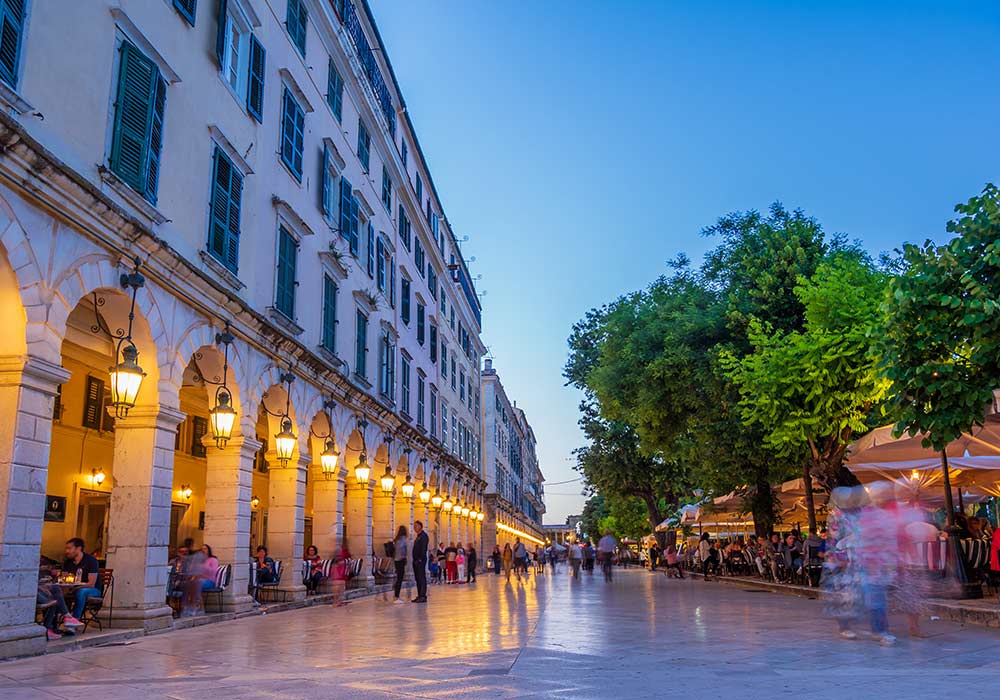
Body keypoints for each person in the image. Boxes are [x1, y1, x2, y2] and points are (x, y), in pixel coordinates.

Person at [62, 537, 101, 621]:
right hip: (73, 588)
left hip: (93, 590)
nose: (67, 551)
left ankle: (74, 620)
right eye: (66, 548)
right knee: (55, 591)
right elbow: (64, 580)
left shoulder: (91, 560)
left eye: (69, 548)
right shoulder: (67, 562)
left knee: (81, 592)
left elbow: (91, 584)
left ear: (78, 548)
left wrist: (76, 588)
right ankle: (55, 621)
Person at [411, 521, 429, 603]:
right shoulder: (418, 536)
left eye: (416, 526)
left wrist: (420, 559)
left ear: (420, 526)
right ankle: (419, 595)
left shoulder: (424, 536)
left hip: (420, 560)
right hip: (416, 560)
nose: (415, 528)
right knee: (418, 578)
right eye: (414, 526)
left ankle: (423, 596)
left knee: (421, 577)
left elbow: (423, 549)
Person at [392, 525, 408, 603]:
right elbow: (403, 550)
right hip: (400, 560)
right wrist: (405, 558)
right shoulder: (403, 539)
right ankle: (396, 596)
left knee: (398, 577)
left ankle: (396, 594)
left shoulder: (396, 539)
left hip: (396, 560)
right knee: (400, 578)